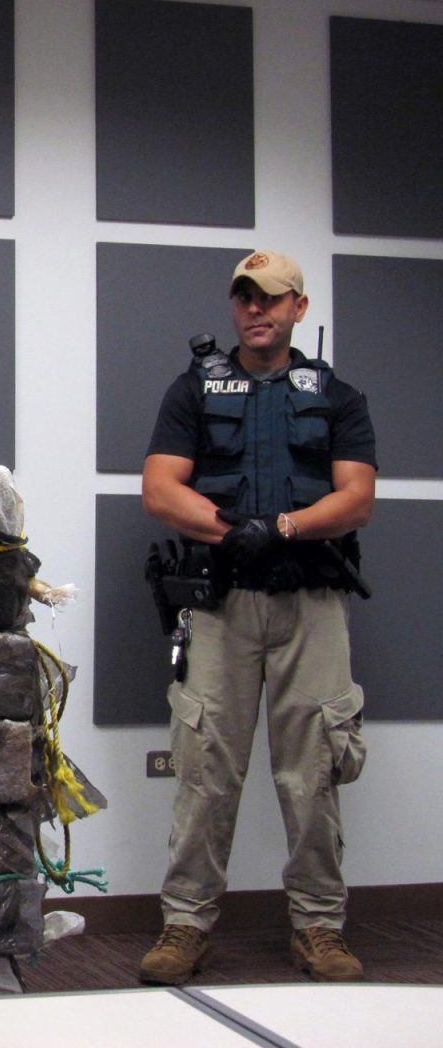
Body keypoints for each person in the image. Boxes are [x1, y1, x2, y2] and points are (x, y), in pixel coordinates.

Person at [137, 250, 376, 986]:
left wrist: (286, 529)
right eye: (244, 298)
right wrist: (230, 529)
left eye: (271, 298)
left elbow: (357, 496)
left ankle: (319, 929)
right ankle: (185, 925)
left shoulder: (338, 398)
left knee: (312, 773)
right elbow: (159, 488)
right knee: (205, 767)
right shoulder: (193, 390)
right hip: (222, 603)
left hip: (312, 602)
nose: (255, 309)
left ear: (299, 307)